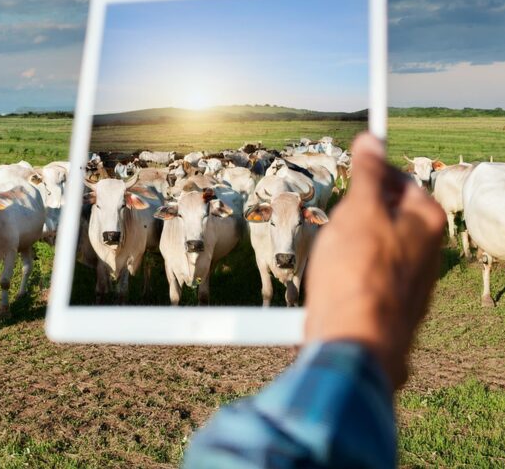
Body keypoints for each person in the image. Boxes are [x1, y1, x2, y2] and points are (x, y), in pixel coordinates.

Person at [183, 133, 447, 469]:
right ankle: (272, 298)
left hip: (294, 221)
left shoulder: (307, 212)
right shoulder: (260, 215)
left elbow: (238, 453)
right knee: (267, 267)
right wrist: (362, 350)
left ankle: (292, 299)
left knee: (295, 262)